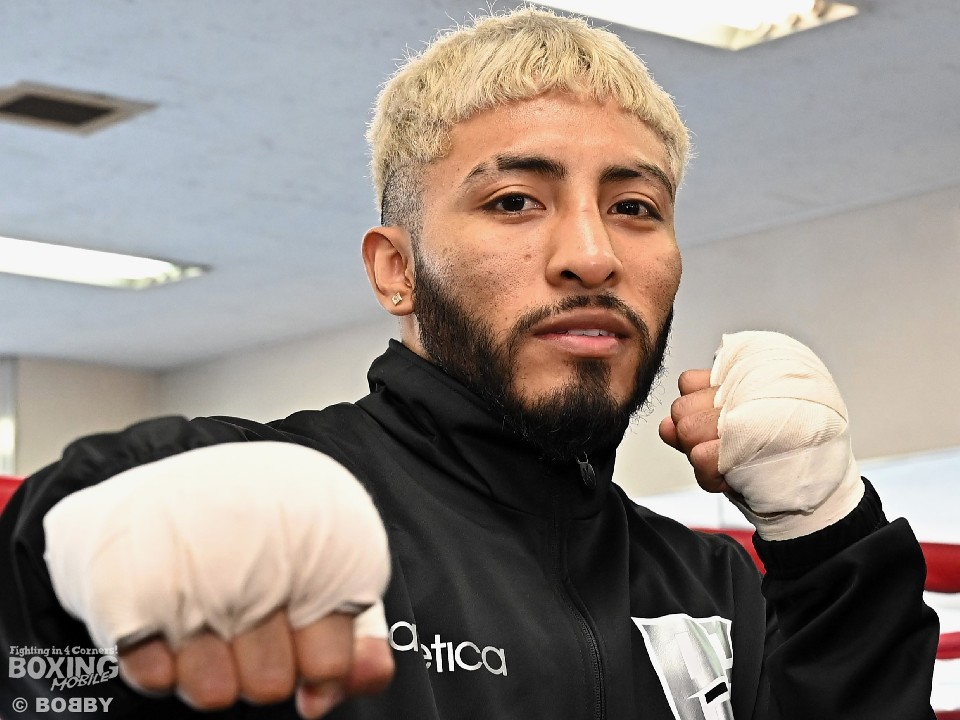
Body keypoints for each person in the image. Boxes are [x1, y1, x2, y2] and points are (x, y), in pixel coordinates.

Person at [0, 7, 939, 720]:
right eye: (515, 201)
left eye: (635, 207)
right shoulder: (267, 502)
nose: (592, 255)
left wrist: (829, 542)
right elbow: (41, 674)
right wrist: (56, 571)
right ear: (396, 270)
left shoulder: (710, 585)